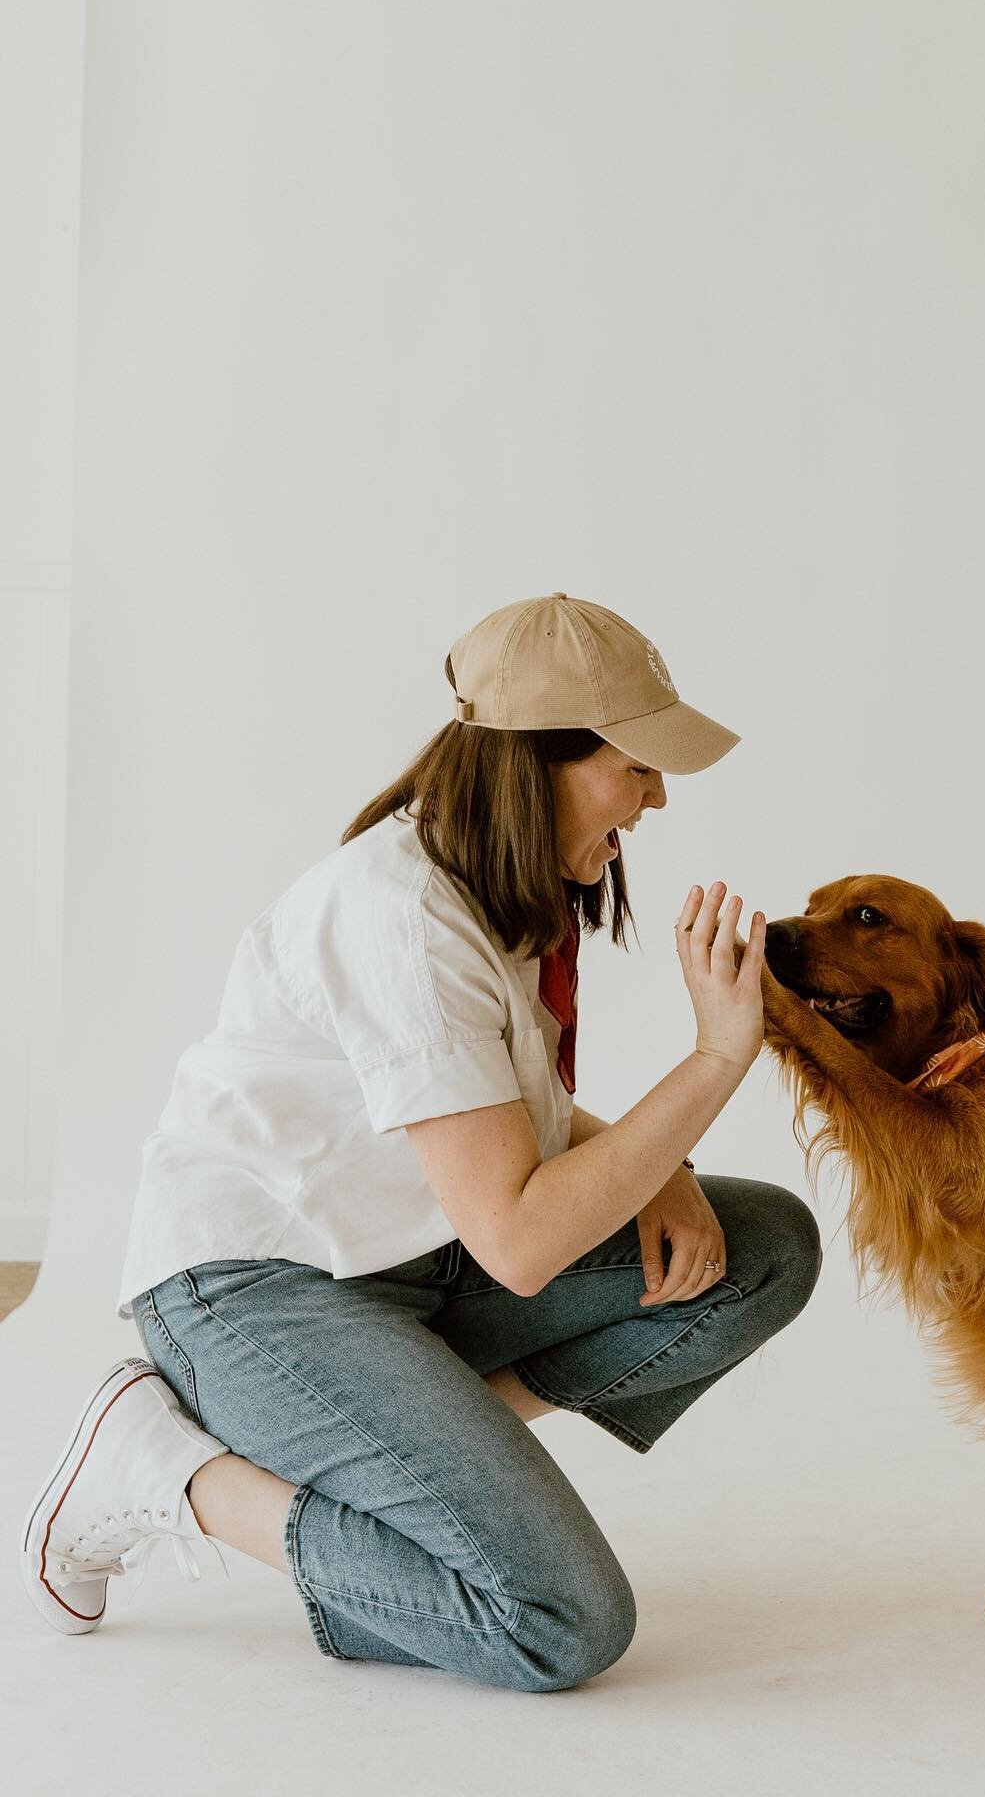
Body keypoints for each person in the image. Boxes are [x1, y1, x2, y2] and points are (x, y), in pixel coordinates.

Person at [20, 591, 822, 1689]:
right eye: (635, 765)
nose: (656, 794)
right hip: (258, 1290)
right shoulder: (400, 920)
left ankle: (411, 1453)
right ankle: (175, 1472)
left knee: (763, 1243)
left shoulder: (497, 893)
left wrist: (665, 1172)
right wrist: (714, 1063)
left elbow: (499, 1124)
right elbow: (522, 1243)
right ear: (536, 760)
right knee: (559, 1622)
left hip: (410, 1259)